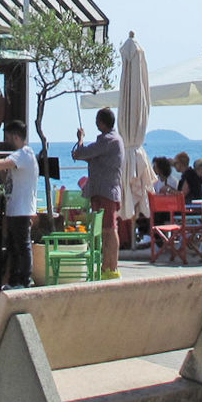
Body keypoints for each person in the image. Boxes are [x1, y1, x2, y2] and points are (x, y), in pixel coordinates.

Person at [0, 120, 40, 288]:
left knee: (22, 245)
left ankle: (24, 279)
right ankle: (14, 280)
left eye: (8, 137)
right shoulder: (19, 157)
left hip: (22, 209)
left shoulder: (23, 154)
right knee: (13, 246)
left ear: (16, 136)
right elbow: (6, 181)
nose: (7, 140)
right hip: (14, 207)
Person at [73, 107, 125, 276]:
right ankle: (107, 267)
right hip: (103, 191)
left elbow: (80, 153)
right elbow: (86, 154)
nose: (96, 123)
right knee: (106, 230)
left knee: (109, 230)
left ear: (102, 122)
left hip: (106, 191)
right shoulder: (110, 141)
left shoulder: (108, 140)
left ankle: (111, 268)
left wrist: (80, 139)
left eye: (97, 120)